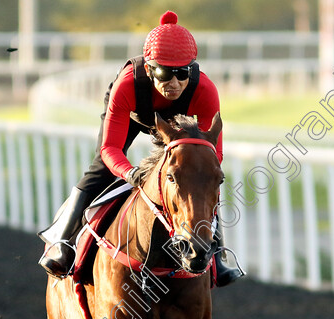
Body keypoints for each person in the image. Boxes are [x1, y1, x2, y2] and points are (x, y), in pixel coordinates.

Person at [38, 10, 243, 286]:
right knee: (101, 171)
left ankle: (217, 256)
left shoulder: (204, 90)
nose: (174, 83)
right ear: (148, 69)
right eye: (165, 73)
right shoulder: (128, 85)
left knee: (200, 180)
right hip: (134, 114)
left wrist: (198, 171)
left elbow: (213, 155)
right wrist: (130, 173)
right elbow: (110, 149)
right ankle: (62, 241)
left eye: (183, 73)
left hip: (178, 127)